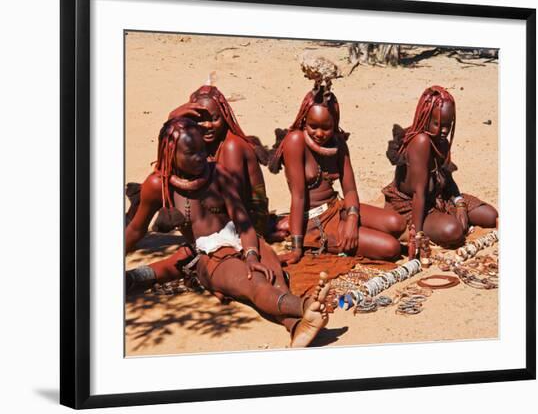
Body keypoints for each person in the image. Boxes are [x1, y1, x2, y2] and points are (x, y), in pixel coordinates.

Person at [125, 117, 329, 348]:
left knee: (276, 279)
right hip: (211, 256)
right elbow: (135, 230)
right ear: (171, 154)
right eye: (191, 152)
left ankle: (297, 326)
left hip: (246, 239)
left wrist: (252, 254)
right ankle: (305, 306)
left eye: (203, 149)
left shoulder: (217, 173)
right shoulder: (157, 186)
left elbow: (242, 222)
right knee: (256, 285)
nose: (201, 156)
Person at [268, 85, 406, 264]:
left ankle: (352, 230)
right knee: (391, 248)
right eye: (313, 126)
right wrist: (296, 248)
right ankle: (322, 238)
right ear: (303, 120)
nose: (319, 133)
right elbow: (299, 196)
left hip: (336, 206)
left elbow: (349, 190)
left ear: (335, 124)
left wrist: (351, 220)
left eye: (326, 127)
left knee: (397, 223)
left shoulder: (338, 143)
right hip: (314, 221)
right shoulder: (295, 141)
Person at [382, 85, 498, 255]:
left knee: (490, 215)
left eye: (448, 125)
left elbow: (447, 179)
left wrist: (459, 204)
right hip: (412, 207)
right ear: (426, 118)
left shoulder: (440, 140)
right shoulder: (420, 142)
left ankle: (447, 218)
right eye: (437, 124)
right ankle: (425, 227)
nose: (444, 130)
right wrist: (417, 236)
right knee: (453, 231)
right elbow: (418, 194)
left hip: (439, 197)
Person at [167, 84, 273, 237]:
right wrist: (173, 118)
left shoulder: (232, 146)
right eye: (200, 120)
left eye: (215, 119)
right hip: (225, 220)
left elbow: (233, 201)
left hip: (248, 225)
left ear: (224, 116)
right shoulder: (202, 143)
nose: (208, 125)